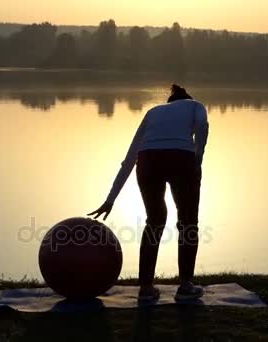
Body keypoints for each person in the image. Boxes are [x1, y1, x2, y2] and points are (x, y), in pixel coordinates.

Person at [88, 84, 209, 301]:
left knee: (155, 221)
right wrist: (197, 158)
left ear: (169, 104)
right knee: (188, 222)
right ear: (186, 99)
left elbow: (130, 157)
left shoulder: (153, 112)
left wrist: (111, 199)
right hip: (182, 159)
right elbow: (202, 125)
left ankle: (145, 288)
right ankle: (186, 286)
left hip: (148, 160)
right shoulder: (195, 106)